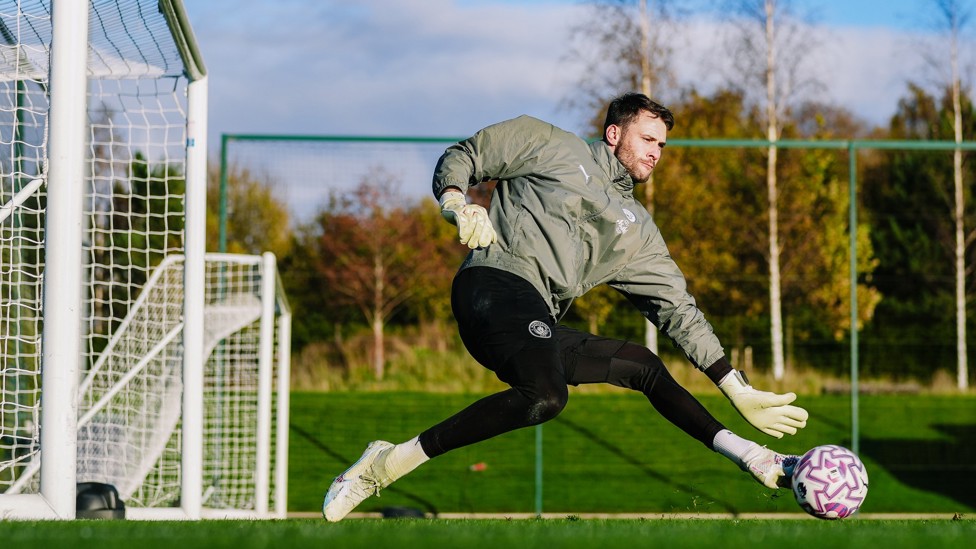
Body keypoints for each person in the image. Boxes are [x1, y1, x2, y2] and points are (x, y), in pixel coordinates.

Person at [321, 92, 809, 522]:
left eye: (662, 144)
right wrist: (457, 201)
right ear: (614, 132)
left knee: (642, 365)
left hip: (535, 319)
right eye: (648, 139)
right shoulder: (549, 142)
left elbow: (679, 310)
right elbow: (465, 154)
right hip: (492, 284)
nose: (657, 152)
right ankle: (386, 465)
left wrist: (734, 386)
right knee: (546, 394)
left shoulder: (637, 231)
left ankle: (753, 457)